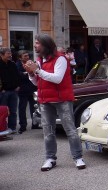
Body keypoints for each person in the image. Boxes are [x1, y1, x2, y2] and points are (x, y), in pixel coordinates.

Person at [24, 34, 86, 171]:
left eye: (37, 43)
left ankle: (78, 157)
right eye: (35, 43)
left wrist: (37, 70)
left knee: (70, 129)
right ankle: (50, 158)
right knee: (48, 131)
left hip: (62, 99)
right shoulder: (39, 60)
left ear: (45, 45)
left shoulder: (61, 59)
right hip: (45, 99)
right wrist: (31, 74)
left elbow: (57, 78)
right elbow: (37, 82)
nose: (35, 45)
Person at [16, 51, 38, 133]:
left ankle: (35, 124)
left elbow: (35, 72)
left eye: (28, 55)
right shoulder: (17, 65)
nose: (27, 57)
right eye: (25, 56)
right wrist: (28, 73)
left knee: (34, 107)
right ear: (20, 57)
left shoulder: (31, 63)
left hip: (32, 88)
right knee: (22, 108)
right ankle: (23, 125)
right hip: (22, 89)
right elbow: (18, 75)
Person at [0, 47, 21, 134]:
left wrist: (18, 85)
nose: (10, 55)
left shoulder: (12, 64)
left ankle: (12, 128)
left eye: (10, 53)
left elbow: (18, 75)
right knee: (3, 112)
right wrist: (1, 89)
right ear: (1, 55)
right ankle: (3, 128)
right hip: (3, 92)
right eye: (8, 54)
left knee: (13, 111)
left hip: (14, 91)